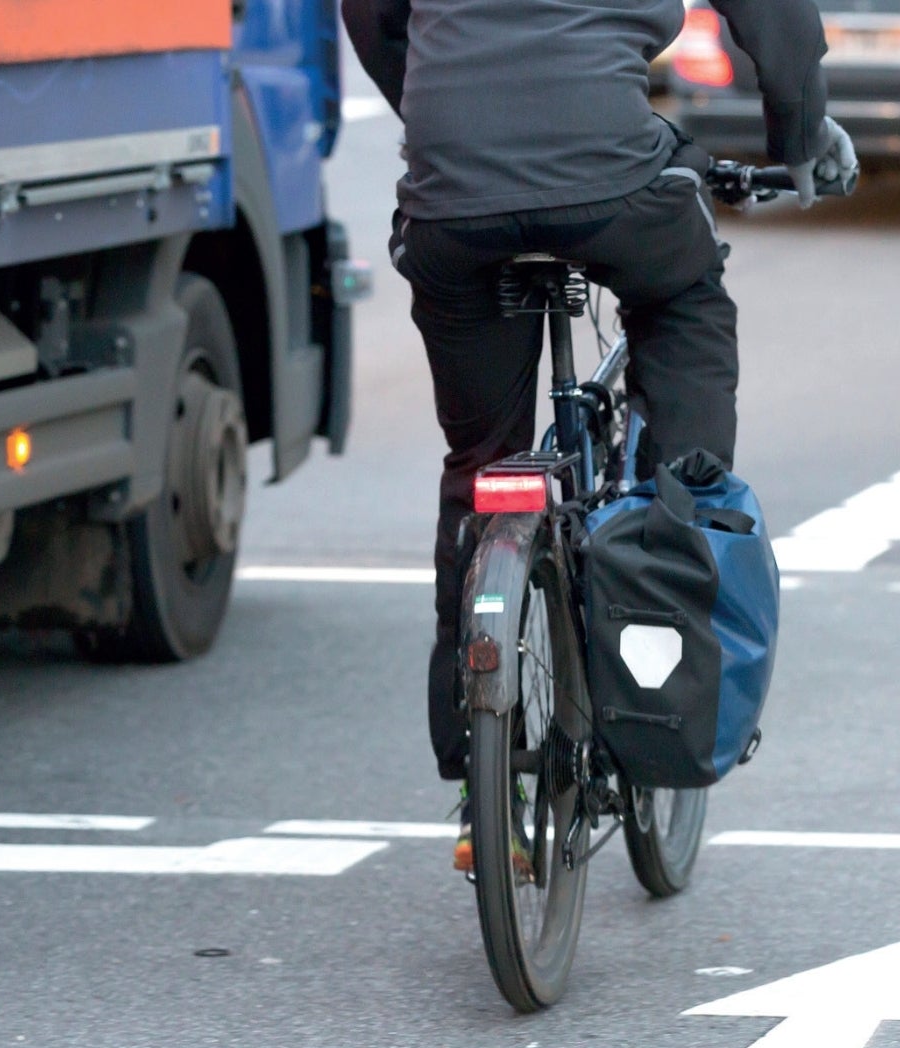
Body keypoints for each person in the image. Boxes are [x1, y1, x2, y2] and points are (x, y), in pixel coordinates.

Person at [341, 0, 857, 871]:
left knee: (479, 470)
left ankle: (482, 783)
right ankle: (671, 517)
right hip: (613, 182)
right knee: (684, 304)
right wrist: (799, 136)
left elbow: (369, 14)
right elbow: (777, 19)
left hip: (451, 199)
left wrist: (437, 113)